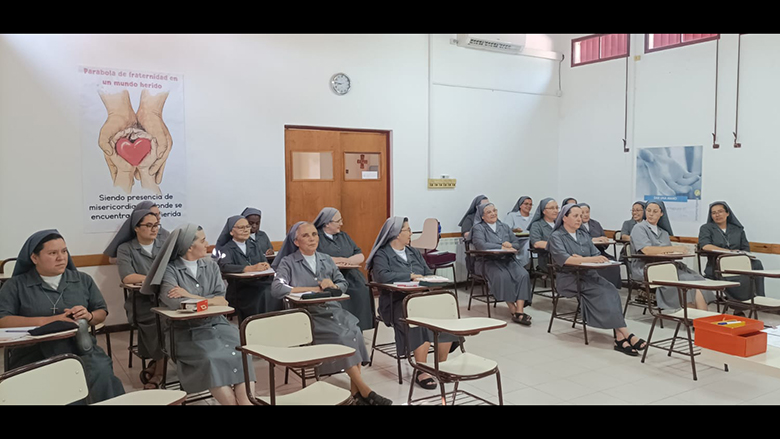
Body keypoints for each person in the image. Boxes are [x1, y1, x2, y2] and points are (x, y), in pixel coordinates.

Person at [271, 222, 392, 405]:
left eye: (314, 234)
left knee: (355, 332)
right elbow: (277, 288)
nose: (312, 239)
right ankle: (365, 391)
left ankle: (356, 393)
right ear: (296, 242)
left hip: (333, 310)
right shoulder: (288, 262)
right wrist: (315, 289)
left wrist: (333, 286)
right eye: (305, 236)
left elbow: (343, 283)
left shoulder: (326, 259)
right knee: (342, 337)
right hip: (307, 316)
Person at [0, 230, 125, 403]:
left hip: (78, 348)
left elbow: (101, 312)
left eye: (64, 251)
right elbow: (3, 320)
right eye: (52, 253)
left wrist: (88, 315)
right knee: (51, 381)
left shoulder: (83, 280)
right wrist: (50, 321)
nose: (61, 258)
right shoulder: (16, 285)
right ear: (34, 258)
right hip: (33, 351)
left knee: (101, 369)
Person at [142, 224, 256, 405]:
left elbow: (222, 300)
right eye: (202, 241)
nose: (207, 244)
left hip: (218, 325)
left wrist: (191, 296)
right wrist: (209, 300)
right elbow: (177, 303)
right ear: (189, 246)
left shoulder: (211, 266)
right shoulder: (170, 270)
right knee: (211, 358)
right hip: (185, 332)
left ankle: (246, 402)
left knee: (242, 353)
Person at [367, 216, 458, 390]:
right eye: (408, 230)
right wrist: (409, 276)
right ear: (396, 233)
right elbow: (382, 276)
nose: (411, 233)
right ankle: (421, 369)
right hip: (395, 303)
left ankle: (441, 366)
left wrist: (430, 279)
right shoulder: (382, 254)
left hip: (421, 298)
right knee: (418, 319)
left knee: (445, 316)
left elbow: (427, 272)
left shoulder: (413, 252)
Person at [546, 204, 647, 356]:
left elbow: (595, 254)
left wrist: (582, 258)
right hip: (569, 278)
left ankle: (620, 337)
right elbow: (566, 260)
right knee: (602, 292)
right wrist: (583, 259)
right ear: (564, 218)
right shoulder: (556, 237)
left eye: (581, 216)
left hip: (589, 275)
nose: (579, 219)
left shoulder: (583, 234)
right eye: (575, 216)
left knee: (611, 290)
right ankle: (627, 334)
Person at [629, 201, 715, 310]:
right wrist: (674, 249)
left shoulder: (664, 232)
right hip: (646, 268)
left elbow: (666, 252)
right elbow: (647, 250)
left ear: (661, 214)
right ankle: (689, 313)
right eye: (648, 210)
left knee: (696, 278)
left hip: (666, 265)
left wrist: (678, 252)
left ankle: (701, 315)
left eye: (655, 211)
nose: (651, 214)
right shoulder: (639, 228)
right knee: (684, 278)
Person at [113, 208, 166, 388]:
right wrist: (156, 279)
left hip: (166, 300)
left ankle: (158, 365)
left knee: (182, 322)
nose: (154, 229)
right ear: (136, 228)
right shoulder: (125, 249)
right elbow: (127, 277)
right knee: (161, 324)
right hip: (142, 304)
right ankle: (159, 373)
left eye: (156, 225)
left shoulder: (164, 245)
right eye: (149, 225)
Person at [471, 203, 533, 325]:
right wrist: (502, 246)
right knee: (502, 276)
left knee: (523, 275)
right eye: (489, 212)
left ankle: (520, 310)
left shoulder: (504, 226)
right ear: (482, 216)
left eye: (494, 210)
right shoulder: (478, 228)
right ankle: (512, 309)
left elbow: (516, 243)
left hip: (507, 260)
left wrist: (511, 245)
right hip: (487, 261)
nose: (493, 213)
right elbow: (481, 245)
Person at [313, 207, 373, 331]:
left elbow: (359, 254)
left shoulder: (344, 236)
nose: (341, 223)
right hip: (329, 276)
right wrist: (336, 260)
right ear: (327, 223)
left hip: (351, 275)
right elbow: (314, 256)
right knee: (339, 293)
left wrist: (348, 261)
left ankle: (358, 328)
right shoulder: (316, 237)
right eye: (338, 221)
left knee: (362, 289)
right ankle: (342, 329)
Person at [698, 201, 765, 304]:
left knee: (756, 264)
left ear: (727, 213)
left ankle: (759, 299)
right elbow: (705, 246)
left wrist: (742, 254)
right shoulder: (706, 228)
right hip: (717, 265)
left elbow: (745, 248)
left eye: (720, 211)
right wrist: (729, 252)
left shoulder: (737, 229)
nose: (717, 215)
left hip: (738, 263)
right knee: (743, 277)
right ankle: (739, 305)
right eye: (714, 213)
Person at [215, 215, 278, 323]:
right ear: (231, 232)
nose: (245, 230)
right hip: (241, 288)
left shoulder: (254, 245)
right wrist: (248, 268)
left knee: (275, 290)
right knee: (265, 292)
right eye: (241, 228)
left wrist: (265, 266)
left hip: (259, 283)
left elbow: (264, 262)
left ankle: (275, 322)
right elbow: (225, 266)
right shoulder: (226, 248)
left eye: (247, 227)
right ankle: (258, 324)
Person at [104, 200, 170, 264]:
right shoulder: (128, 237)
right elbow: (112, 259)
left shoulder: (165, 234)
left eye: (159, 214)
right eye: (154, 215)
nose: (159, 217)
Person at [578, 203, 622, 289]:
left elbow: (603, 238)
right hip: (585, 254)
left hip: (599, 251)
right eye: (582, 212)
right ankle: (598, 287)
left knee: (612, 261)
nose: (586, 214)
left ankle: (612, 287)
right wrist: (592, 240)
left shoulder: (596, 224)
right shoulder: (576, 225)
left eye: (587, 212)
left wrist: (604, 241)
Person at [528, 198, 559, 272]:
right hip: (548, 259)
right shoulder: (537, 225)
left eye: (557, 208)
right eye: (552, 208)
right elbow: (536, 243)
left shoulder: (560, 224)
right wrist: (559, 246)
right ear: (544, 211)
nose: (555, 211)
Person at [503, 196, 533, 267]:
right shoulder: (512, 215)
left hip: (531, 239)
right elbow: (505, 229)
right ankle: (524, 265)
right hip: (518, 240)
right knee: (527, 244)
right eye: (526, 204)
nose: (528, 206)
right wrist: (514, 230)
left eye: (530, 204)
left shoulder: (533, 216)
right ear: (520, 205)